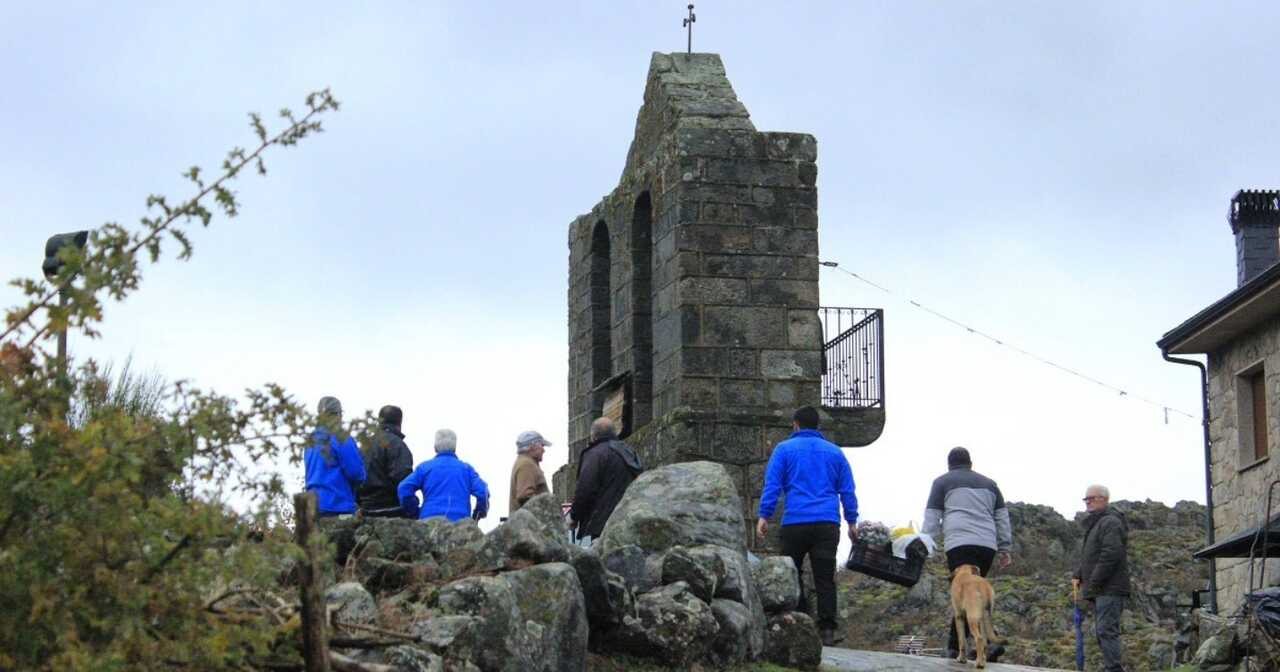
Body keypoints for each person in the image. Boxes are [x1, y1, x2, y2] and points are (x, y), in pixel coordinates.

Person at [756, 406, 858, 647]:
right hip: (827, 523)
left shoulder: (784, 450)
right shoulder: (835, 453)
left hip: (795, 522)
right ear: (818, 426)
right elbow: (847, 490)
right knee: (824, 577)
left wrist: (764, 516)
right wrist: (852, 521)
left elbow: (773, 486)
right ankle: (827, 630)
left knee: (792, 574)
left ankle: (799, 620)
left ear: (795, 424)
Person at [922, 446, 1011, 662]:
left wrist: (926, 542)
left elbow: (933, 516)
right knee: (974, 595)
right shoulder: (990, 484)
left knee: (961, 595)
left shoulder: (942, 481)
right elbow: (1001, 517)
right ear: (970, 463)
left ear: (949, 464)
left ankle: (957, 648)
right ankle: (984, 643)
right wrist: (1005, 547)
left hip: (959, 544)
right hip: (986, 546)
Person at [1074, 484, 1129, 672]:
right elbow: (1093, 555)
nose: (1087, 502)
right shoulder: (1098, 523)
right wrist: (1079, 574)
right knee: (1103, 632)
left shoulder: (1110, 522)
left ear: (1104, 499)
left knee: (1106, 631)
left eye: (1092, 498)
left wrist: (1095, 580)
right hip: (1102, 589)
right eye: (1086, 499)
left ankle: (1113, 669)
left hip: (1110, 588)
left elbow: (1111, 554)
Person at [570, 417, 642, 546]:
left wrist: (574, 517)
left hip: (602, 523)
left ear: (593, 435)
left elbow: (585, 489)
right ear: (615, 432)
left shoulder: (595, 454)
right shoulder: (629, 452)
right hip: (629, 519)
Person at [397, 429, 490, 522]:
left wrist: (414, 512)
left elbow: (404, 488)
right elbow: (483, 492)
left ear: (435, 447)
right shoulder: (466, 470)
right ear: (455, 447)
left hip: (428, 523)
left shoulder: (425, 468)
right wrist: (477, 515)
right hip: (460, 525)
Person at [304, 396, 367, 517]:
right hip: (337, 507)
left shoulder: (310, 440)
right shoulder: (340, 437)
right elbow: (356, 473)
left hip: (311, 507)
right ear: (338, 414)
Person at [357, 405, 414, 517]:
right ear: (400, 423)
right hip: (390, 508)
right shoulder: (398, 445)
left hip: (365, 507)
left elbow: (356, 476)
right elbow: (403, 478)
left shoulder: (365, 445)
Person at [509, 430, 551, 514]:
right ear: (532, 446)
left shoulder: (525, 462)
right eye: (542, 445)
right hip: (530, 525)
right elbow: (525, 496)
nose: (543, 450)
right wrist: (547, 512)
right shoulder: (526, 465)